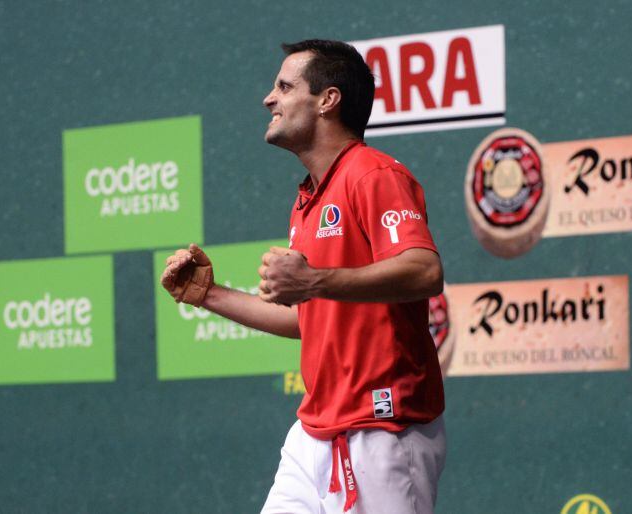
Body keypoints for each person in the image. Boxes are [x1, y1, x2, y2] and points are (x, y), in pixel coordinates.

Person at [161, 39, 446, 514]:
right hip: (315, 430)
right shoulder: (308, 200)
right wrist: (207, 295)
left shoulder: (373, 175)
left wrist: (316, 281)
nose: (268, 99)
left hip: (382, 430)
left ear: (327, 100)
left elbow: (424, 270)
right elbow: (306, 320)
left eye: (284, 86)